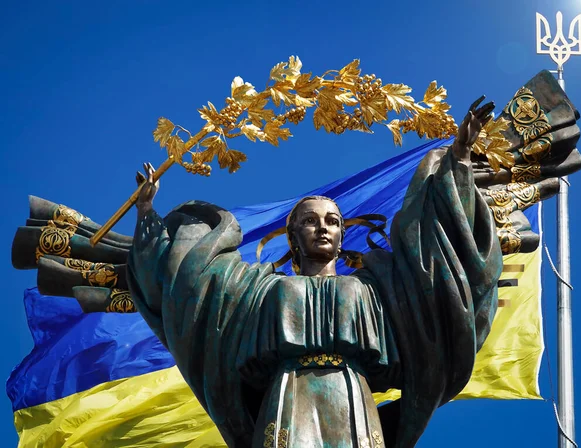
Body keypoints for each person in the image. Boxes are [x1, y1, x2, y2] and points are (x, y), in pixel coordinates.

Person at [127, 98, 502, 448]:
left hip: (352, 399)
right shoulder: (259, 290)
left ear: (341, 235)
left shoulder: (376, 289)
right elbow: (189, 282)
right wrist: (147, 215)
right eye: (310, 221)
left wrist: (460, 160)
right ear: (293, 236)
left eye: (333, 221)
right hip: (287, 398)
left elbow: (438, 263)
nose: (323, 228)